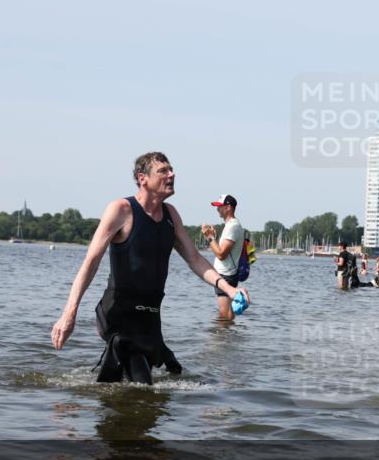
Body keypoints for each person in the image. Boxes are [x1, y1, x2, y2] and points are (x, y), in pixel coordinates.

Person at [50, 152, 248, 383]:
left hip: (150, 317)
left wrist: (231, 290)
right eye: (163, 170)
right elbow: (91, 262)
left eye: (171, 169)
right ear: (142, 178)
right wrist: (69, 314)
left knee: (171, 371)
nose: (172, 174)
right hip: (118, 313)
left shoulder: (171, 215)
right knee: (143, 385)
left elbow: (195, 259)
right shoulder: (121, 209)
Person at [201, 194, 245, 322]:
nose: (217, 210)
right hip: (227, 274)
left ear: (228, 207)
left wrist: (209, 237)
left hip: (226, 275)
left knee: (224, 313)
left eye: (220, 207)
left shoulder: (232, 226)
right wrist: (214, 237)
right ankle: (228, 337)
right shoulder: (231, 225)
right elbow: (222, 251)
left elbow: (221, 254)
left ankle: (223, 340)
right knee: (226, 312)